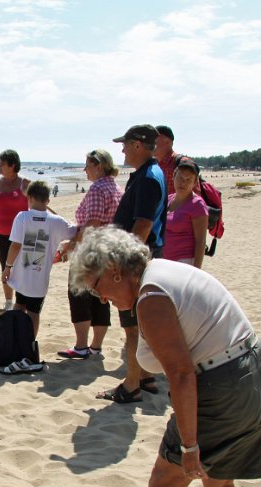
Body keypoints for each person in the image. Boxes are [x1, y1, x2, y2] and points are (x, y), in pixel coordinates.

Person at [68, 227, 261, 487]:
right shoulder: (165, 272)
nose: (99, 297)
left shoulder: (150, 296)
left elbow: (182, 375)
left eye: (97, 284)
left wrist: (189, 444)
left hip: (225, 384)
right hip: (259, 371)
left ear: (116, 268)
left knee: (164, 483)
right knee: (219, 478)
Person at [99, 124, 167, 403]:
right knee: (139, 324)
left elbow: (143, 225)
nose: (123, 150)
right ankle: (144, 376)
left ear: (139, 145)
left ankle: (131, 386)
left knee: (132, 327)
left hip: (137, 262)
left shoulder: (149, 178)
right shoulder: (145, 174)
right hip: (142, 258)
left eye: (125, 144)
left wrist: (123, 264)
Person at [57, 149, 122, 360]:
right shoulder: (116, 188)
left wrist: (72, 243)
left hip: (89, 251)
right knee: (100, 297)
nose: (85, 170)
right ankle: (96, 346)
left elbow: (92, 223)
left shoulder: (97, 189)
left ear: (99, 166)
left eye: (87, 165)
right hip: (109, 250)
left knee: (79, 295)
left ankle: (81, 346)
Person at [2, 180, 76, 338]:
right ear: (47, 200)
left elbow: (15, 245)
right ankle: (29, 342)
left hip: (22, 274)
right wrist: (50, 211)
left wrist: (8, 267)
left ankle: (15, 339)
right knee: (34, 312)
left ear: (29, 198)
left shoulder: (22, 217)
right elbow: (74, 229)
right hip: (39, 277)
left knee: (19, 304)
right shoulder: (56, 222)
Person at [0, 149, 29, 311]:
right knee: (5, 266)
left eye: (1, 164)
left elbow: (37, 208)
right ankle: (8, 302)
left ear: (12, 165)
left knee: (21, 267)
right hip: (0, 234)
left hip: (21, 235)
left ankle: (22, 300)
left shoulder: (25, 184)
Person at [163, 157, 208, 268]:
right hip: (164, 261)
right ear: (173, 177)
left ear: (194, 183)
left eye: (188, 180)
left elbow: (201, 241)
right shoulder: (168, 199)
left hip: (184, 263)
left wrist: (196, 271)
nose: (183, 182)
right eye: (180, 178)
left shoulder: (197, 205)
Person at [154, 126, 181, 196]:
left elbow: (194, 201)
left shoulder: (181, 164)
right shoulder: (155, 166)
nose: (151, 145)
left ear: (168, 142)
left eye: (154, 141)